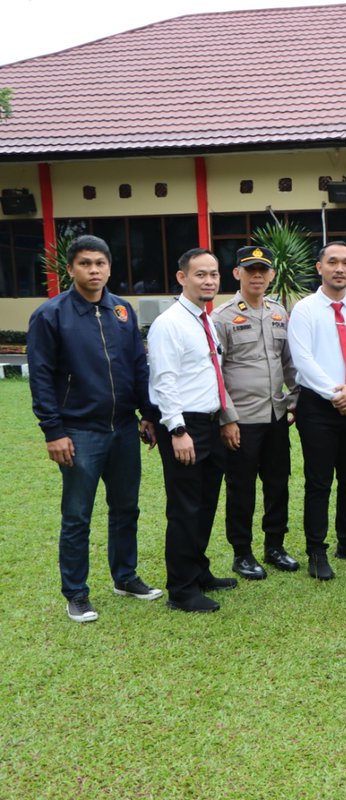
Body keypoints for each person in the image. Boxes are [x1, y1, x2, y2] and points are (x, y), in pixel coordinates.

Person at [28, 234, 163, 622]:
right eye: (85, 264)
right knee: (77, 515)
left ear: (109, 268)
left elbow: (138, 366)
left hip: (123, 429)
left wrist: (147, 414)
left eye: (100, 264)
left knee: (126, 508)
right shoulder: (51, 315)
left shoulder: (121, 310)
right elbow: (40, 377)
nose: (94, 271)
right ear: (70, 269)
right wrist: (53, 432)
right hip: (79, 432)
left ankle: (125, 576)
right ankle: (76, 592)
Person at [148, 248, 238, 612]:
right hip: (184, 426)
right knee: (184, 509)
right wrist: (177, 429)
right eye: (200, 274)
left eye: (214, 274)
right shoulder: (170, 323)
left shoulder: (205, 319)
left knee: (204, 505)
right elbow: (164, 381)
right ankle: (181, 590)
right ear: (182, 277)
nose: (209, 281)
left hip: (210, 423)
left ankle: (199, 571)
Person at [288, 241, 346, 580]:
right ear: (319, 268)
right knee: (319, 480)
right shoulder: (305, 309)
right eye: (333, 262)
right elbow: (303, 359)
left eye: (345, 263)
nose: (340, 268)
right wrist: (336, 393)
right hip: (318, 407)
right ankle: (316, 550)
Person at [212, 246, 300, 580]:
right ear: (238, 274)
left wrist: (295, 398)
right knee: (241, 488)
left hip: (275, 416)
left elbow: (288, 361)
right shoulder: (222, 317)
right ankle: (242, 553)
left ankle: (275, 546)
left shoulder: (279, 313)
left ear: (272, 275)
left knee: (277, 484)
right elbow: (216, 373)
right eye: (250, 270)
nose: (257, 276)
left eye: (263, 270)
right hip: (242, 421)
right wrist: (227, 418)